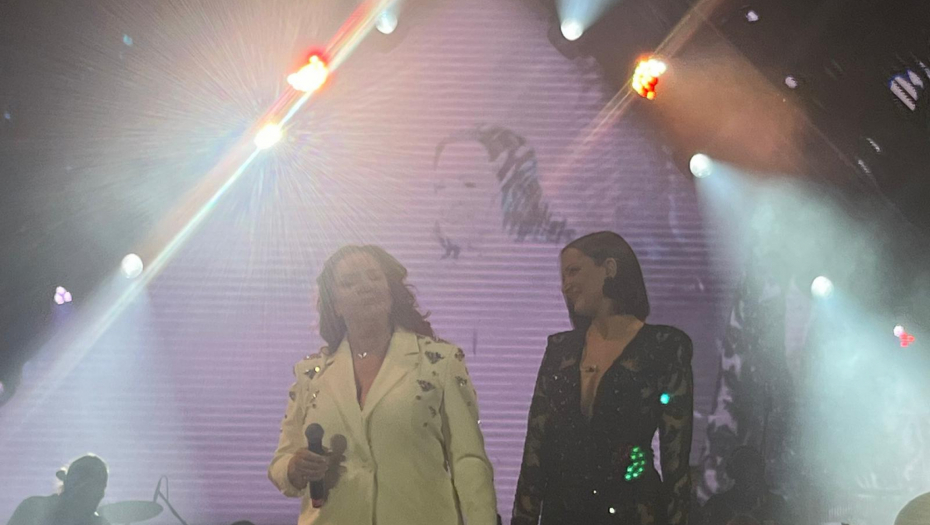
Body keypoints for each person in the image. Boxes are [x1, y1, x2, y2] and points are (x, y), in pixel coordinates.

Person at [268, 245, 498, 525]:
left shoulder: (440, 362)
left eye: (374, 277)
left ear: (390, 290)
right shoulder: (310, 375)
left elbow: (468, 460)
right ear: (336, 305)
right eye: (349, 282)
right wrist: (294, 468)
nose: (365, 286)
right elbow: (281, 462)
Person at [512, 231, 694, 525]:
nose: (565, 285)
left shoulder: (664, 347)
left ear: (609, 267)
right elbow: (536, 450)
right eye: (562, 276)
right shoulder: (561, 350)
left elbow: (677, 462)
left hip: (633, 512)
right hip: (563, 514)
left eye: (573, 271)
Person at [7, 454, 109, 525]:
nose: (101, 494)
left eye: (101, 487)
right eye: (89, 488)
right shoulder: (34, 509)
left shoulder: (33, 507)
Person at [701, 447, 790, 525]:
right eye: (743, 468)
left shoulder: (775, 504)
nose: (747, 474)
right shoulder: (717, 504)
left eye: (751, 468)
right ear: (732, 471)